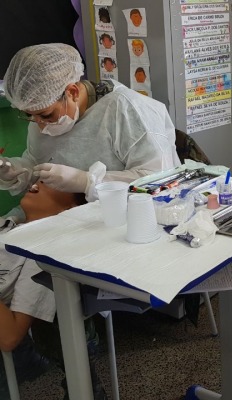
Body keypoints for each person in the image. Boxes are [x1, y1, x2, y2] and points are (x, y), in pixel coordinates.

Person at [0, 43, 179, 202]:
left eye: (46, 116)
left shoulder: (127, 110)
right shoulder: (40, 113)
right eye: (29, 115)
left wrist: (85, 181)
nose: (40, 126)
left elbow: (159, 181)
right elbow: (37, 166)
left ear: (72, 92)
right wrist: (12, 171)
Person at [0, 182, 86, 397]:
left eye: (53, 183)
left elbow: (9, 337)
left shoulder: (43, 257)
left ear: (71, 209)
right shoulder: (6, 225)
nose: (36, 184)